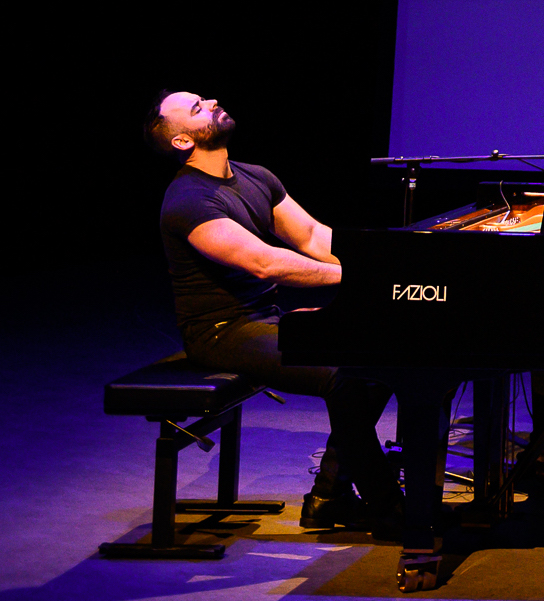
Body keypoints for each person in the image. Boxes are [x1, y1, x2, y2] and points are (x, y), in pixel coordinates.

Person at [150, 90, 400, 530]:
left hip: (264, 320)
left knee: (379, 357)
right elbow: (264, 262)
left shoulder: (256, 177)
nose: (209, 101)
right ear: (182, 141)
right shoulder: (187, 199)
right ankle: (387, 506)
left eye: (204, 98)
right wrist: (359, 281)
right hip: (222, 332)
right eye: (196, 108)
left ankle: (329, 495)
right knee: (341, 374)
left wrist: (375, 264)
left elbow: (312, 238)